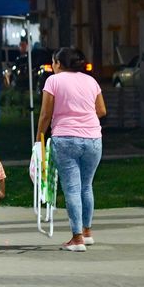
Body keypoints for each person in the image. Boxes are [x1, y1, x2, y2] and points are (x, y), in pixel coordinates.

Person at [36, 47, 106, 252]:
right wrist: (84, 117)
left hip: (65, 139)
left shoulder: (53, 81)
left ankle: (76, 239)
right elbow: (101, 110)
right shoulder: (90, 81)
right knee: (86, 186)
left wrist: (39, 139)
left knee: (72, 189)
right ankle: (87, 232)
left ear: (59, 63)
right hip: (93, 138)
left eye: (54, 62)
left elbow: (45, 114)